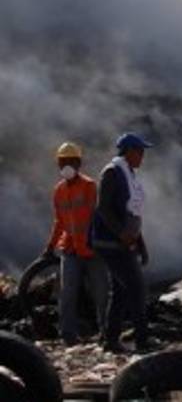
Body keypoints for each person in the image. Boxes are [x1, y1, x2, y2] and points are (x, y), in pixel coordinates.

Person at [90, 133, 154, 353]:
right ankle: (142, 341)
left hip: (124, 242)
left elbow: (132, 214)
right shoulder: (112, 173)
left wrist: (141, 245)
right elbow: (104, 209)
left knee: (121, 291)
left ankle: (110, 339)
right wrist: (121, 234)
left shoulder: (129, 175)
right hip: (111, 243)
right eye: (140, 151)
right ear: (128, 151)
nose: (142, 156)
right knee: (136, 288)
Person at [43, 142, 108, 345]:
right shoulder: (58, 190)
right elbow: (59, 222)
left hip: (92, 250)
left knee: (101, 293)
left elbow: (93, 217)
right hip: (70, 250)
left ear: (78, 163)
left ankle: (106, 333)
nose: (66, 165)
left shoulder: (89, 186)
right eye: (63, 162)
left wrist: (92, 246)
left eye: (70, 161)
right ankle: (68, 336)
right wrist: (49, 246)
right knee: (67, 293)